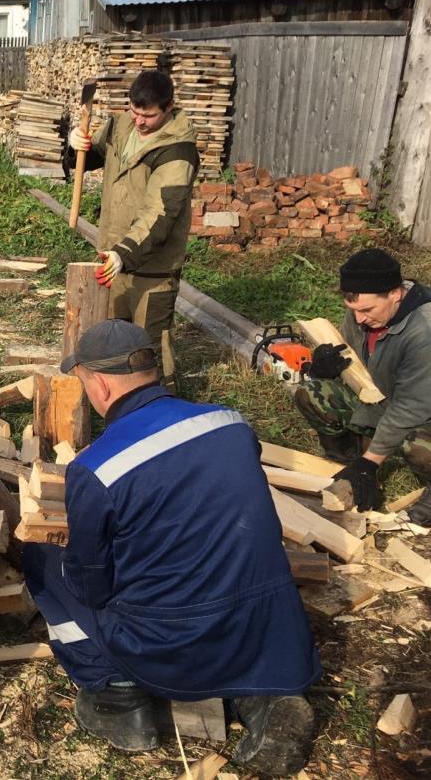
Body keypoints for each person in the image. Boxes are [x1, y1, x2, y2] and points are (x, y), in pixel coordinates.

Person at [23, 320, 321, 776]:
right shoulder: (232, 424)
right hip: (264, 630)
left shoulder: (98, 467)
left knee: (41, 562)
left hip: (171, 649)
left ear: (99, 385)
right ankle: (265, 694)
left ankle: (118, 694)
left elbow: (90, 585)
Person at [68, 70, 199, 389]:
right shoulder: (120, 125)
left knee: (148, 349)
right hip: (113, 258)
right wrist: (76, 146)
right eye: (135, 111)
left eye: (148, 115)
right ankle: (119, 403)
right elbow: (93, 156)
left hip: (151, 269)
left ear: (168, 108)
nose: (139, 121)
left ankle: (161, 412)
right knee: (114, 339)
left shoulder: (178, 151)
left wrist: (123, 254)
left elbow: (160, 214)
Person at [295, 248, 431, 523]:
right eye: (352, 310)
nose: (358, 319)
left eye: (367, 310)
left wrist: (370, 463)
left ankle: (368, 466)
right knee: (313, 395)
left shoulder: (424, 331)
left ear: (395, 293)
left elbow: (411, 408)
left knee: (417, 445)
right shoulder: (365, 313)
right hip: (386, 399)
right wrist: (323, 369)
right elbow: (355, 363)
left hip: (422, 410)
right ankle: (346, 465)